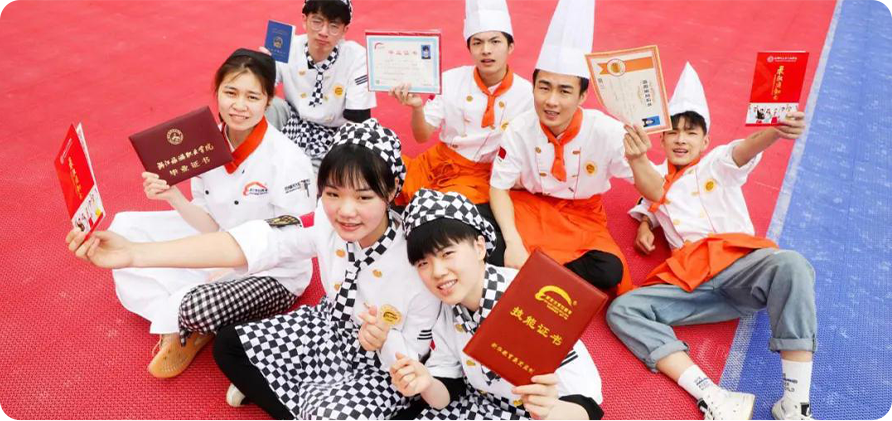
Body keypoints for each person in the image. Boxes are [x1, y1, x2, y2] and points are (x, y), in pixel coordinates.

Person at [67, 119, 441, 420]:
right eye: (333, 193)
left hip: (386, 362)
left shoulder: (418, 258)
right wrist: (134, 254)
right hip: (331, 326)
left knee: (332, 413)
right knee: (230, 346)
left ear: (391, 190)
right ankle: (303, 406)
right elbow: (248, 242)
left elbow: (422, 356)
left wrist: (384, 342)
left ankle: (307, 403)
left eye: (363, 197)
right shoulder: (324, 223)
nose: (345, 211)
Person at [606, 63, 818, 421]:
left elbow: (745, 150)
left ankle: (794, 404)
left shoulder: (717, 164)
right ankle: (713, 396)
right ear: (662, 140)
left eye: (691, 133)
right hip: (694, 285)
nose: (681, 140)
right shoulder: (655, 177)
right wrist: (646, 222)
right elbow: (653, 195)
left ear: (705, 142)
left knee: (792, 264)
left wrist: (775, 131)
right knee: (622, 309)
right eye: (673, 132)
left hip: (742, 270)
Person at [106, 48, 316, 378]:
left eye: (252, 96)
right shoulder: (203, 145)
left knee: (197, 305)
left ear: (268, 101)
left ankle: (187, 322)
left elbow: (296, 239)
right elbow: (209, 223)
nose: (239, 105)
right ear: (216, 92)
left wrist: (235, 263)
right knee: (124, 230)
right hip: (220, 243)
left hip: (272, 271)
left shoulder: (288, 159)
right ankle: (183, 319)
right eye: (231, 92)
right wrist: (174, 196)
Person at [488, 0, 661, 293]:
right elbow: (498, 187)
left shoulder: (607, 131)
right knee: (485, 237)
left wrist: (639, 159)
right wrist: (514, 243)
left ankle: (530, 274)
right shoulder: (519, 128)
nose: (551, 101)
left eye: (564, 91)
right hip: (529, 208)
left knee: (609, 271)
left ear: (582, 96)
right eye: (544, 87)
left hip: (581, 219)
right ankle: (546, 274)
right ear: (533, 87)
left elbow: (656, 192)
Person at [388, 189, 605, 421]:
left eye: (447, 253)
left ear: (480, 247)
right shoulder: (448, 306)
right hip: (474, 405)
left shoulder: (531, 298)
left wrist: (550, 410)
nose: (437, 272)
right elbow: (447, 387)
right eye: (423, 263)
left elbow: (587, 406)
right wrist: (426, 382)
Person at [390, 0, 533, 264]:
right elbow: (422, 136)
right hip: (438, 162)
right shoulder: (451, 80)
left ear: (510, 46)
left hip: (480, 176)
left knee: (452, 224)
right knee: (382, 179)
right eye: (477, 43)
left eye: (495, 41)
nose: (486, 50)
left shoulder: (527, 95)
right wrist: (417, 107)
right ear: (469, 48)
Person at [265, 0, 376, 169]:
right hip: (294, 122)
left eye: (333, 26)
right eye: (317, 22)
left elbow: (359, 119)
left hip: (335, 133)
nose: (324, 32)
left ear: (345, 30)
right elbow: (261, 89)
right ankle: (258, 156)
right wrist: (261, 68)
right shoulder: (286, 45)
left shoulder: (358, 57)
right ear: (304, 20)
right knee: (267, 102)